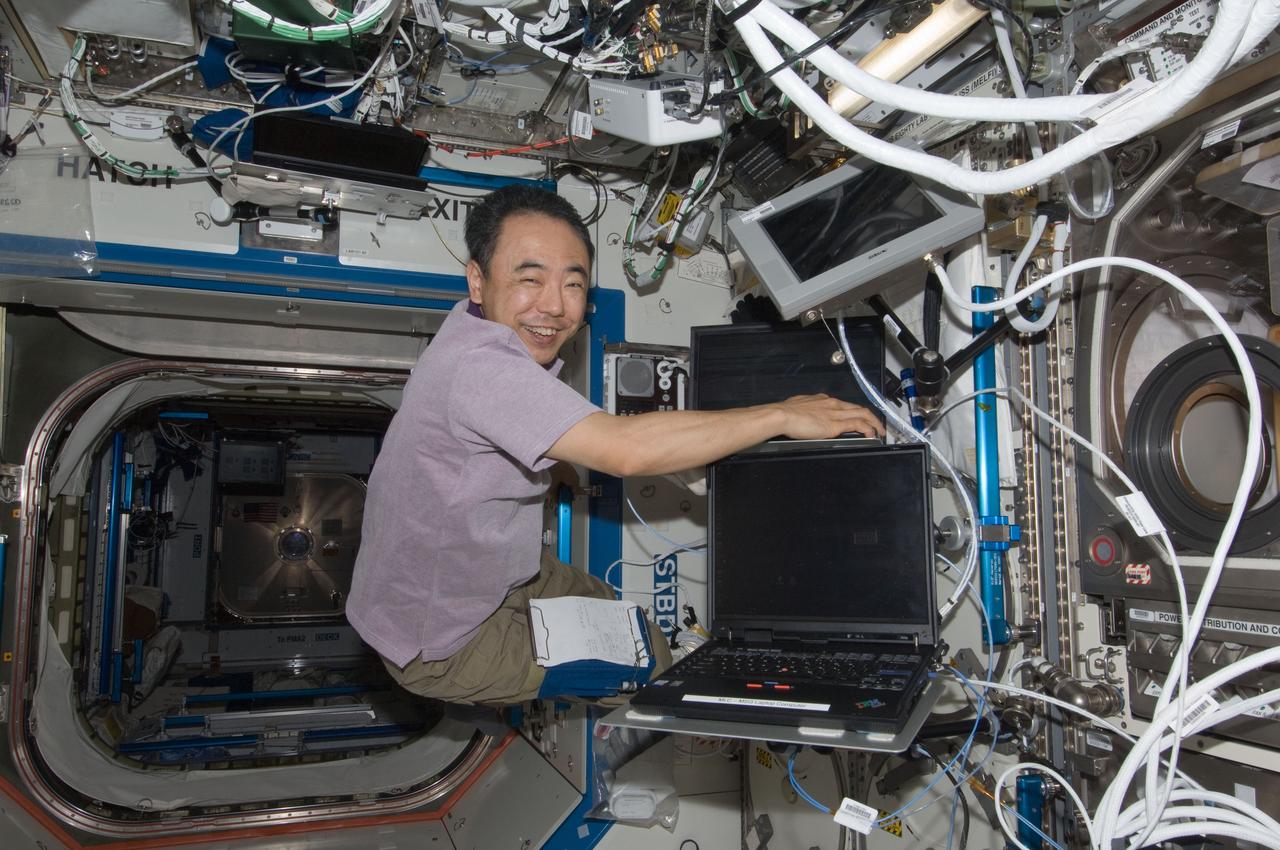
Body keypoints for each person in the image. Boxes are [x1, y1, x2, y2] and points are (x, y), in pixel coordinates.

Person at [345, 184, 884, 706]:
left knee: (623, 619)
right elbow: (625, 449)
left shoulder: (473, 332)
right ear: (478, 281)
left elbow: (482, 433)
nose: (555, 308)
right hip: (441, 641)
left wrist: (548, 466)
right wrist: (783, 414)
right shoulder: (483, 369)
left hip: (488, 575)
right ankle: (659, 722)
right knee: (645, 660)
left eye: (574, 285)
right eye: (530, 279)